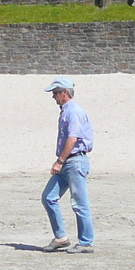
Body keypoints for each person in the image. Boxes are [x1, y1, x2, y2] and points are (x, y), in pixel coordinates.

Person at [40, 77, 94, 254]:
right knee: (49, 197)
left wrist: (59, 161)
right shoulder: (67, 111)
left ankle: (86, 242)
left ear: (64, 93)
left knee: (79, 203)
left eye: (55, 93)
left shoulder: (74, 111)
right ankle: (61, 237)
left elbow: (73, 138)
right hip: (67, 161)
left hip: (74, 160)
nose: (54, 97)